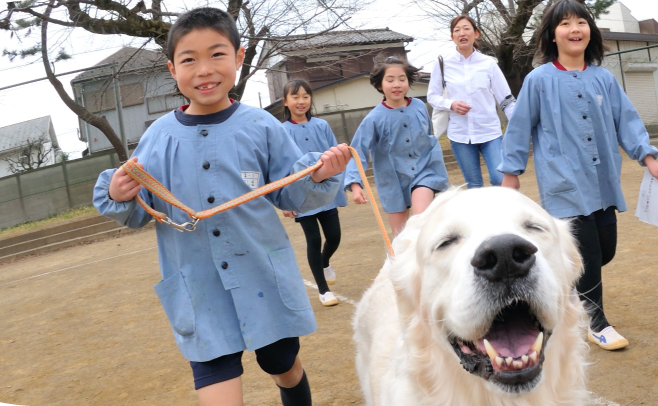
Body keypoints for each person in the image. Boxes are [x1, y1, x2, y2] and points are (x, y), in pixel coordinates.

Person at [92, 7, 352, 405]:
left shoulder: (261, 126)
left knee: (284, 365)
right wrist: (118, 194)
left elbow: (290, 193)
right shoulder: (157, 138)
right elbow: (139, 211)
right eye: (189, 60)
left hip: (262, 278)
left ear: (239, 57)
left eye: (217, 54)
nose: (204, 70)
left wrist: (317, 176)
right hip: (198, 291)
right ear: (172, 69)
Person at [497, 0, 658, 351]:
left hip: (603, 180)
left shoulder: (603, 78)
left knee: (604, 252)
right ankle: (597, 323)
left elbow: (627, 120)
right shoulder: (539, 80)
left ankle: (566, 289)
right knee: (588, 256)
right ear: (552, 35)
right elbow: (518, 128)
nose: (574, 29)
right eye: (565, 24)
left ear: (590, 31)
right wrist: (511, 173)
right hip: (564, 183)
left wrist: (647, 157)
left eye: (581, 22)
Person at [345, 57, 450, 237]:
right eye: (390, 80)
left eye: (402, 79)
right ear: (380, 85)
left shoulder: (419, 106)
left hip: (423, 173)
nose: (397, 84)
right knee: (402, 239)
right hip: (392, 182)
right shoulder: (373, 118)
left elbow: (428, 136)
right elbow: (358, 150)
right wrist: (355, 184)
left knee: (420, 223)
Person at [427, 15, 516, 189]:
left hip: (490, 133)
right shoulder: (442, 63)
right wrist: (451, 104)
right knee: (474, 186)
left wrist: (518, 125)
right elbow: (432, 96)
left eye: (466, 28)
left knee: (500, 180)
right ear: (452, 37)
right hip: (460, 135)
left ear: (476, 34)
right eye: (457, 30)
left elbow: (506, 99)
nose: (462, 33)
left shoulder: (489, 64)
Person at [280, 79, 348, 307]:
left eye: (305, 96)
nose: (301, 101)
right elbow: (281, 167)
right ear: (285, 102)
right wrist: (285, 201)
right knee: (313, 239)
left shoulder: (322, 125)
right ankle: (323, 290)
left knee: (334, 236)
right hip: (300, 195)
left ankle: (324, 262)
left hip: (327, 192)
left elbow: (335, 156)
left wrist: (343, 185)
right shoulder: (282, 131)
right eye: (295, 97)